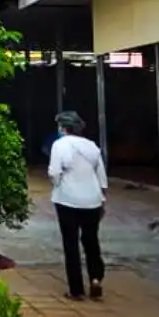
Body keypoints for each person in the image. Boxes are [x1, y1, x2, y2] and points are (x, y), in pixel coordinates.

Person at [47, 111, 107, 301]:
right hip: (93, 200)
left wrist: (58, 185)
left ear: (63, 128)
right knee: (91, 240)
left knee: (70, 243)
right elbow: (102, 177)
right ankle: (96, 278)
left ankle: (76, 289)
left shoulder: (60, 144)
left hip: (67, 200)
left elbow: (54, 172)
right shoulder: (91, 146)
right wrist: (102, 199)